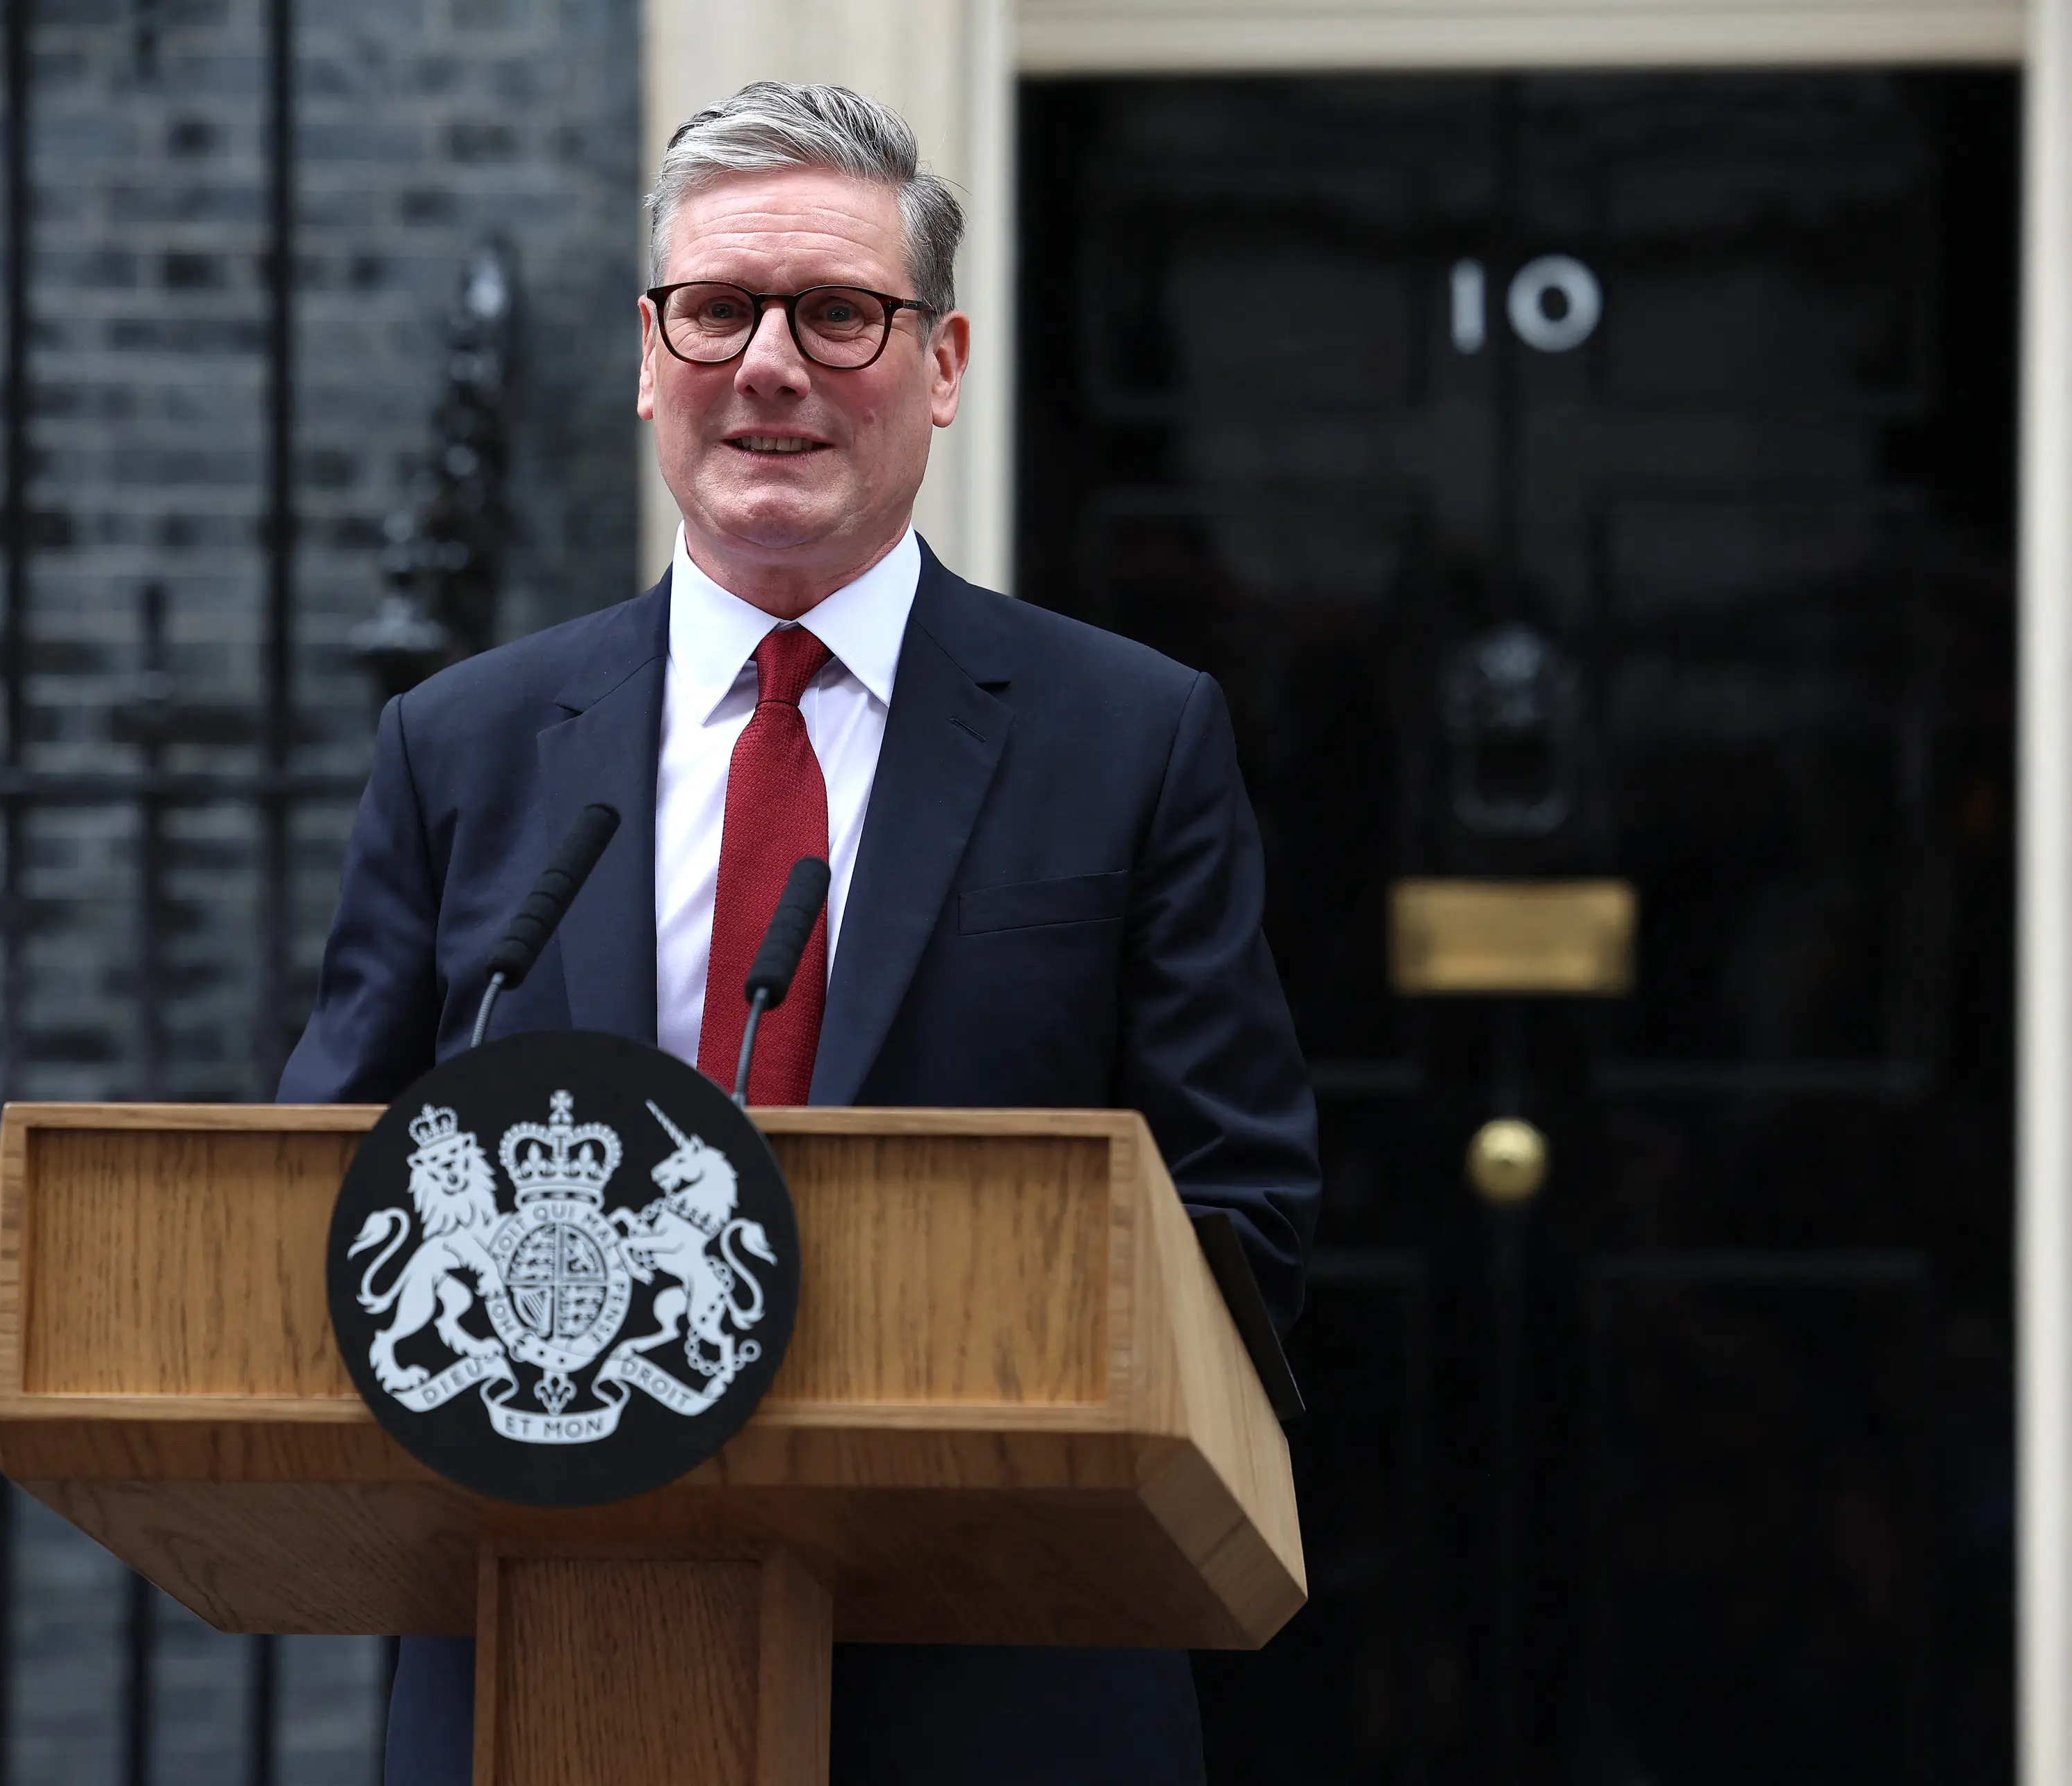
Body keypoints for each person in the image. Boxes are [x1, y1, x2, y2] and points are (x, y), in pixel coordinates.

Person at [277, 80, 1319, 1786]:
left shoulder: (1132, 739)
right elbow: (325, 1192)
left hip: (1001, 1673)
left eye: (838, 313)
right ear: (650, 357)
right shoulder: (460, 747)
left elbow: (1241, 1222)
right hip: (549, 1661)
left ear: (945, 365)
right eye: (717, 310)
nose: (769, 364)